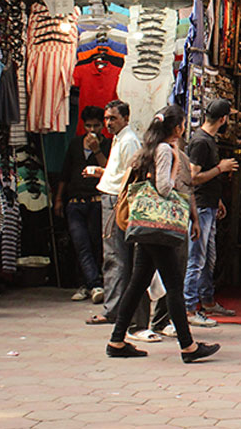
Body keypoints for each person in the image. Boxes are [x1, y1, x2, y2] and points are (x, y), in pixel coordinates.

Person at [105, 105, 219, 363]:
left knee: (137, 283)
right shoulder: (166, 150)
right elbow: (164, 188)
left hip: (146, 226)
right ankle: (188, 346)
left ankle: (117, 339)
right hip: (160, 226)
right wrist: (177, 163)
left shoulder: (148, 149)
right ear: (177, 128)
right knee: (174, 285)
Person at [85, 100, 143, 326]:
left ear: (125, 119)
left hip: (115, 200)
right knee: (115, 256)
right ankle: (117, 307)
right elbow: (120, 171)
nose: (108, 123)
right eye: (107, 119)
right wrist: (103, 172)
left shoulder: (128, 141)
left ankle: (113, 310)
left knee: (115, 256)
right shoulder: (120, 139)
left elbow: (130, 176)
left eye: (113, 119)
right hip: (111, 196)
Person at [184, 98, 239, 327]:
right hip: (201, 206)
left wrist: (217, 199)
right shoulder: (201, 142)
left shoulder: (207, 141)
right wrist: (221, 168)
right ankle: (188, 307)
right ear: (223, 119)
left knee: (208, 257)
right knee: (197, 257)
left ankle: (206, 300)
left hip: (209, 204)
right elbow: (193, 177)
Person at [55, 106, 110, 303]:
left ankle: (91, 283)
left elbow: (109, 170)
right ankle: (93, 284)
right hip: (75, 202)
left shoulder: (108, 145)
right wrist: (59, 199)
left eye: (96, 126)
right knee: (80, 243)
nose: (92, 130)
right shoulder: (75, 144)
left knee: (95, 243)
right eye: (88, 126)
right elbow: (65, 173)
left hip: (96, 201)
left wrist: (96, 150)